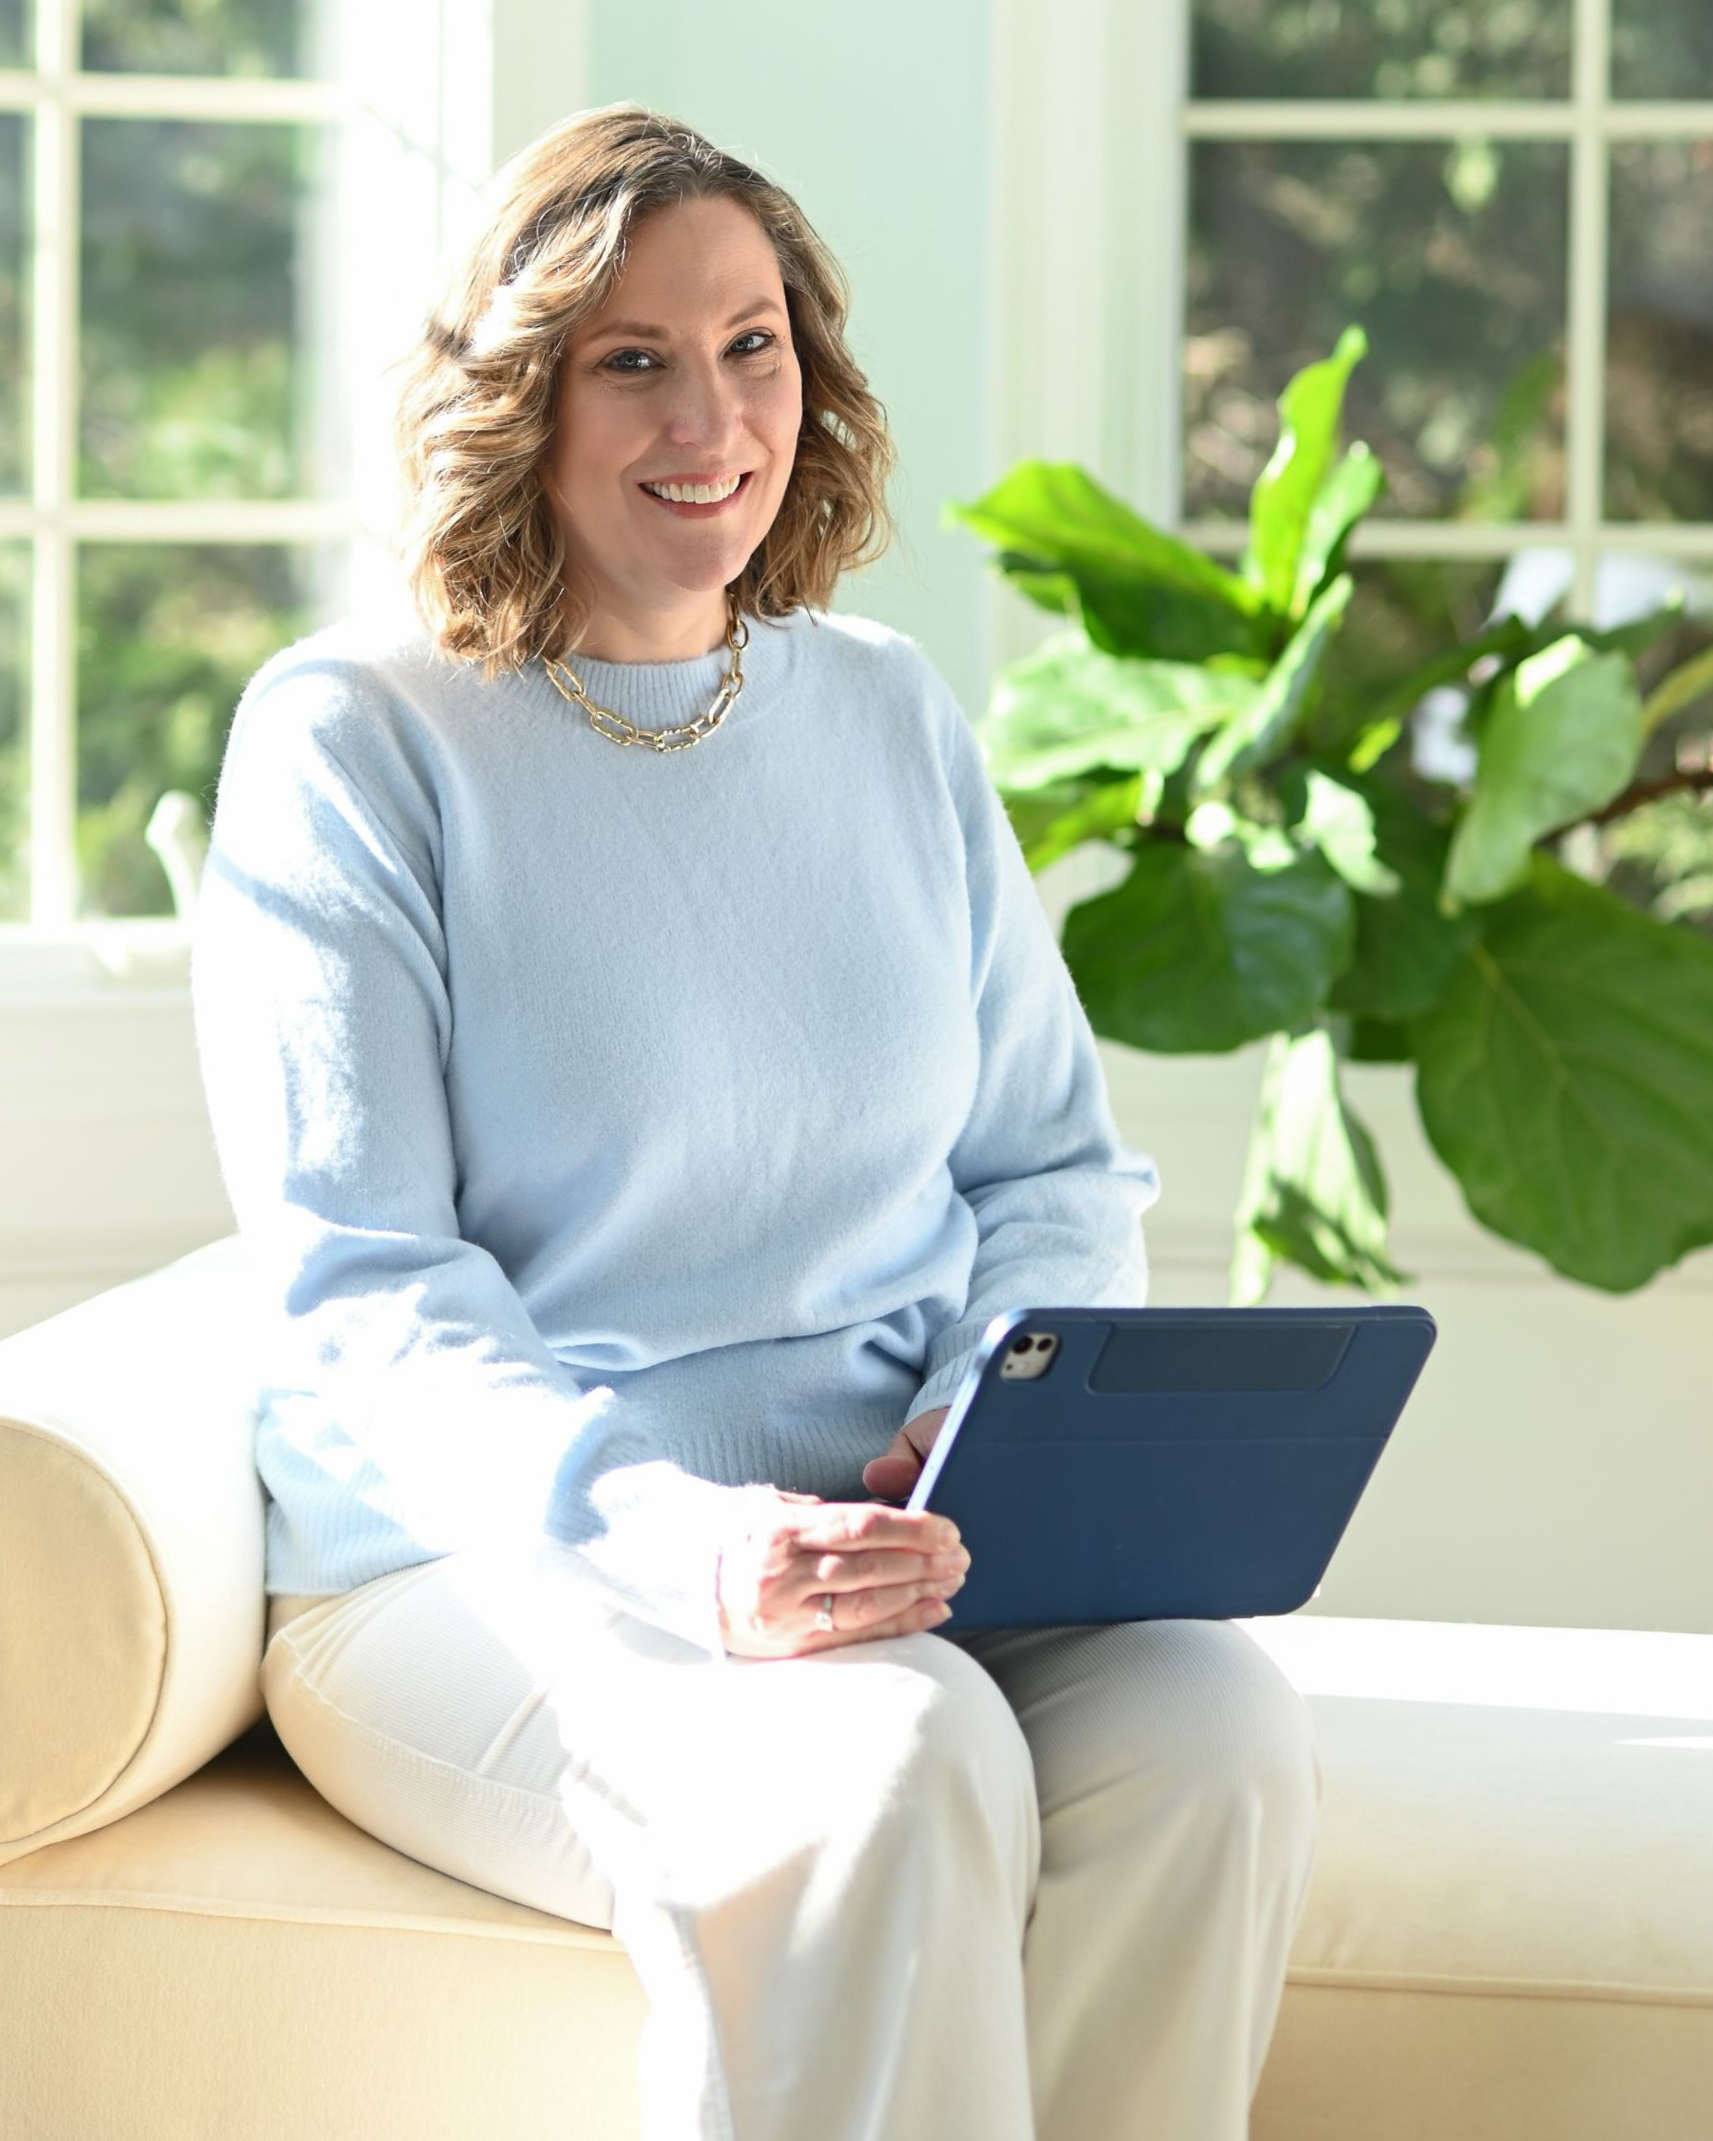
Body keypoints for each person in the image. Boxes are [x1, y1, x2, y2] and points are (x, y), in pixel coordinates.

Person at [191, 102, 1320, 2141]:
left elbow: (1049, 1168)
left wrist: (995, 1395)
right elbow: (366, 1285)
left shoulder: (884, 709)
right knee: (898, 1758)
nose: (708, 416)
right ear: (521, 391)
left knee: (1207, 1725)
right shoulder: (354, 740)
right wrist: (687, 1538)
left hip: (900, 1532)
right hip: (484, 1564)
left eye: (753, 344)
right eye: (631, 356)